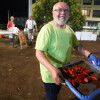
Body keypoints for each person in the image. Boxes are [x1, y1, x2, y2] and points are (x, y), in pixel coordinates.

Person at [35, 2, 100, 100]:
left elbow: (77, 46)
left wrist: (90, 55)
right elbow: (38, 52)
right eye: (59, 10)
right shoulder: (47, 29)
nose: (63, 13)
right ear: (53, 12)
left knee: (58, 90)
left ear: (68, 14)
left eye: (66, 10)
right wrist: (53, 70)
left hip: (65, 71)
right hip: (50, 74)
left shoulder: (69, 30)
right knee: (51, 95)